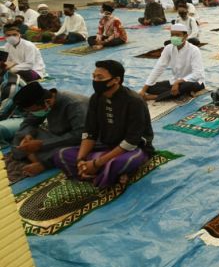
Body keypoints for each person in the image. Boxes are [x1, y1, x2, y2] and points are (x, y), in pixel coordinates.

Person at [55, 60, 154, 188]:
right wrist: (81, 160)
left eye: (100, 77)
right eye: (94, 76)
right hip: (105, 146)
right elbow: (90, 132)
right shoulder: (96, 98)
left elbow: (131, 141)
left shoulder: (134, 102)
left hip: (133, 149)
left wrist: (96, 163)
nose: (95, 80)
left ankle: (101, 172)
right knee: (61, 155)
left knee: (118, 163)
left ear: (116, 80)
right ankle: (104, 173)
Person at [10, 82, 87, 176]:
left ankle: (43, 162)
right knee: (21, 136)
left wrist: (42, 145)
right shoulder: (43, 104)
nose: (32, 113)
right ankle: (35, 155)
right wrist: (28, 135)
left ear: (47, 102)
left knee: (66, 154)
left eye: (33, 110)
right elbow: (29, 122)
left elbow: (80, 135)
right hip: (58, 137)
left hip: (80, 141)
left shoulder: (74, 104)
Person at [139, 24, 205, 102]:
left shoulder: (194, 50)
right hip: (175, 82)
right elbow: (159, 67)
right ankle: (179, 94)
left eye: (178, 35)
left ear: (185, 36)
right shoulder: (168, 48)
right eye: (172, 35)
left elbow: (197, 74)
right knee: (150, 87)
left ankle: (153, 97)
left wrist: (179, 81)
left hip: (193, 82)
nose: (174, 37)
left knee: (187, 85)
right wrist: (144, 89)